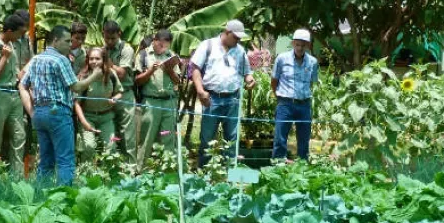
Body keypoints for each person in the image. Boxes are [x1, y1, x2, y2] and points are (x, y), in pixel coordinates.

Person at [19, 25, 104, 186]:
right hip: (58, 112)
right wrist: (94, 76)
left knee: (46, 160)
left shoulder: (36, 59)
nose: (70, 44)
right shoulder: (61, 59)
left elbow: (22, 85)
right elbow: (76, 87)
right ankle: (64, 198)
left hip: (39, 113)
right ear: (55, 40)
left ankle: (40, 195)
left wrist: (32, 111)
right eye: (67, 41)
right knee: (65, 160)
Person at [191, 19, 256, 167]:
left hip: (233, 99)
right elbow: (194, 68)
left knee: (232, 140)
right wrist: (200, 91)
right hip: (211, 99)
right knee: (207, 139)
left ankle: (230, 176)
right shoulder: (207, 45)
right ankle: (203, 175)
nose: (238, 40)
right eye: (236, 37)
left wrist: (250, 80)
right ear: (227, 32)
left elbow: (247, 73)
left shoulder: (240, 51)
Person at [0, 13, 28, 175]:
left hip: (14, 95)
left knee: (19, 136)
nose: (21, 37)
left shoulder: (11, 46)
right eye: (19, 33)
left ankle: (17, 176)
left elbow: (16, 72)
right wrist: (4, 57)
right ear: (9, 31)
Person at [271, 28, 319, 161]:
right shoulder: (282, 58)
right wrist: (280, 98)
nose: (300, 47)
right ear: (293, 43)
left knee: (304, 139)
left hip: (304, 104)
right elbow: (274, 80)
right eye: (297, 44)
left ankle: (302, 167)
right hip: (285, 103)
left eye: (303, 45)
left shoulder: (313, 62)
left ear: (308, 46)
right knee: (280, 138)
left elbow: (311, 82)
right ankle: (277, 166)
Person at [134, 29, 180, 168]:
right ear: (154, 41)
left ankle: (167, 171)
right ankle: (140, 170)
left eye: (166, 46)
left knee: (167, 136)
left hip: (169, 102)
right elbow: (137, 80)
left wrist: (169, 70)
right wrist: (150, 71)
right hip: (151, 101)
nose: (163, 48)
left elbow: (177, 81)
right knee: (147, 137)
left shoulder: (171, 56)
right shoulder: (143, 55)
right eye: (160, 45)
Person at [73, 47, 123, 163]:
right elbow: (77, 103)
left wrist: (115, 98)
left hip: (106, 118)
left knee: (111, 148)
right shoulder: (83, 76)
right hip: (87, 117)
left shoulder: (111, 74)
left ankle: (108, 174)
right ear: (87, 60)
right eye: (91, 59)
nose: (94, 61)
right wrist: (84, 123)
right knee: (89, 147)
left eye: (97, 59)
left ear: (104, 60)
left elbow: (119, 92)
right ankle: (87, 173)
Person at [103, 21, 138, 163]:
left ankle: (131, 167)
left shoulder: (126, 49)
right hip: (108, 95)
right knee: (111, 133)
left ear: (119, 34)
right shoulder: (102, 49)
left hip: (125, 95)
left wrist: (107, 61)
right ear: (103, 34)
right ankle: (113, 165)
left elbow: (122, 74)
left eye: (113, 38)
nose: (110, 41)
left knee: (127, 134)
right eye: (107, 38)